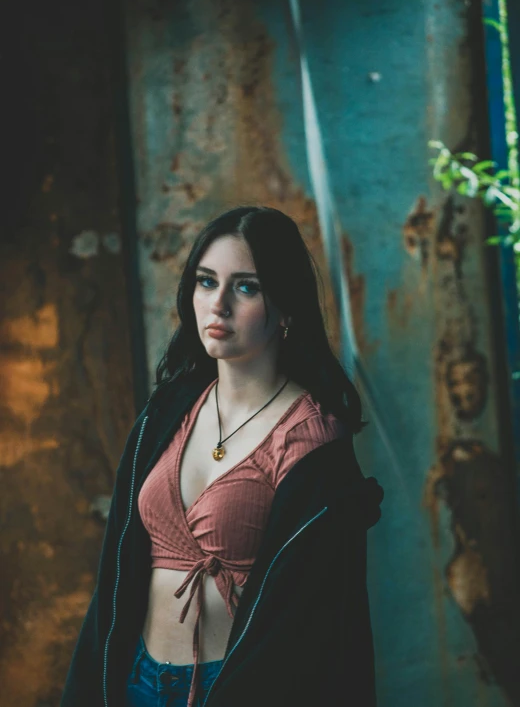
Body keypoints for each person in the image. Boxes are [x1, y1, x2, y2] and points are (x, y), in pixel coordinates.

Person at [60, 204, 384, 707]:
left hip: (233, 690)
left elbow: (321, 623)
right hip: (137, 681)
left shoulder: (313, 443)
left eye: (246, 286)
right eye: (207, 282)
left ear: (287, 306)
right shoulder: (166, 409)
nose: (219, 305)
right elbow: (117, 573)